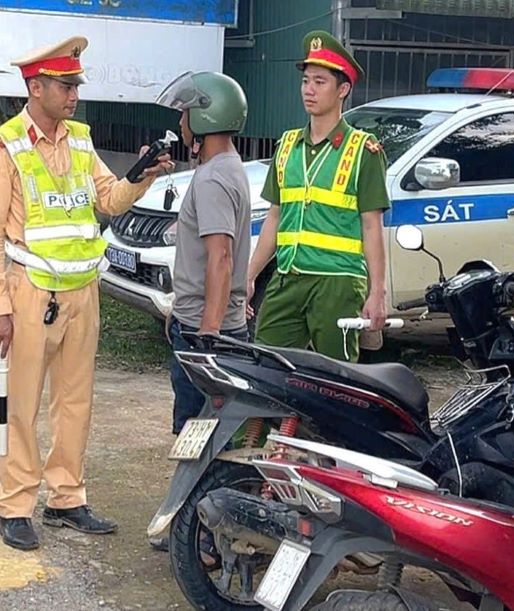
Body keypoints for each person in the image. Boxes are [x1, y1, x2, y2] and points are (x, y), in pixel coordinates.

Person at [0, 35, 173, 550]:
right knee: (21, 405)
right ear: (35, 87)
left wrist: (142, 176)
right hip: (30, 289)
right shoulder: (3, 146)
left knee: (75, 402)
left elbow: (108, 200)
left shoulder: (81, 141)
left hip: (83, 289)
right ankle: (15, 504)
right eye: (65, 86)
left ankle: (66, 497)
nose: (74, 95)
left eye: (76, 85)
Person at [246, 30, 390, 363]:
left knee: (335, 377)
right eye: (306, 81)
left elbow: (372, 226)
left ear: (343, 90)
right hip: (288, 278)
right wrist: (249, 276)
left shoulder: (363, 151)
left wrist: (377, 292)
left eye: (320, 82)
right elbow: (274, 217)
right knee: (266, 365)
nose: (309, 90)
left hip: (337, 283)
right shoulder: (286, 146)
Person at [153, 71, 251, 433]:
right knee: (215, 432)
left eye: (185, 114)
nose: (181, 123)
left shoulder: (212, 179)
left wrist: (207, 333)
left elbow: (221, 257)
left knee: (196, 433)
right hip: (204, 321)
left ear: (204, 117)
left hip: (203, 333)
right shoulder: (229, 166)